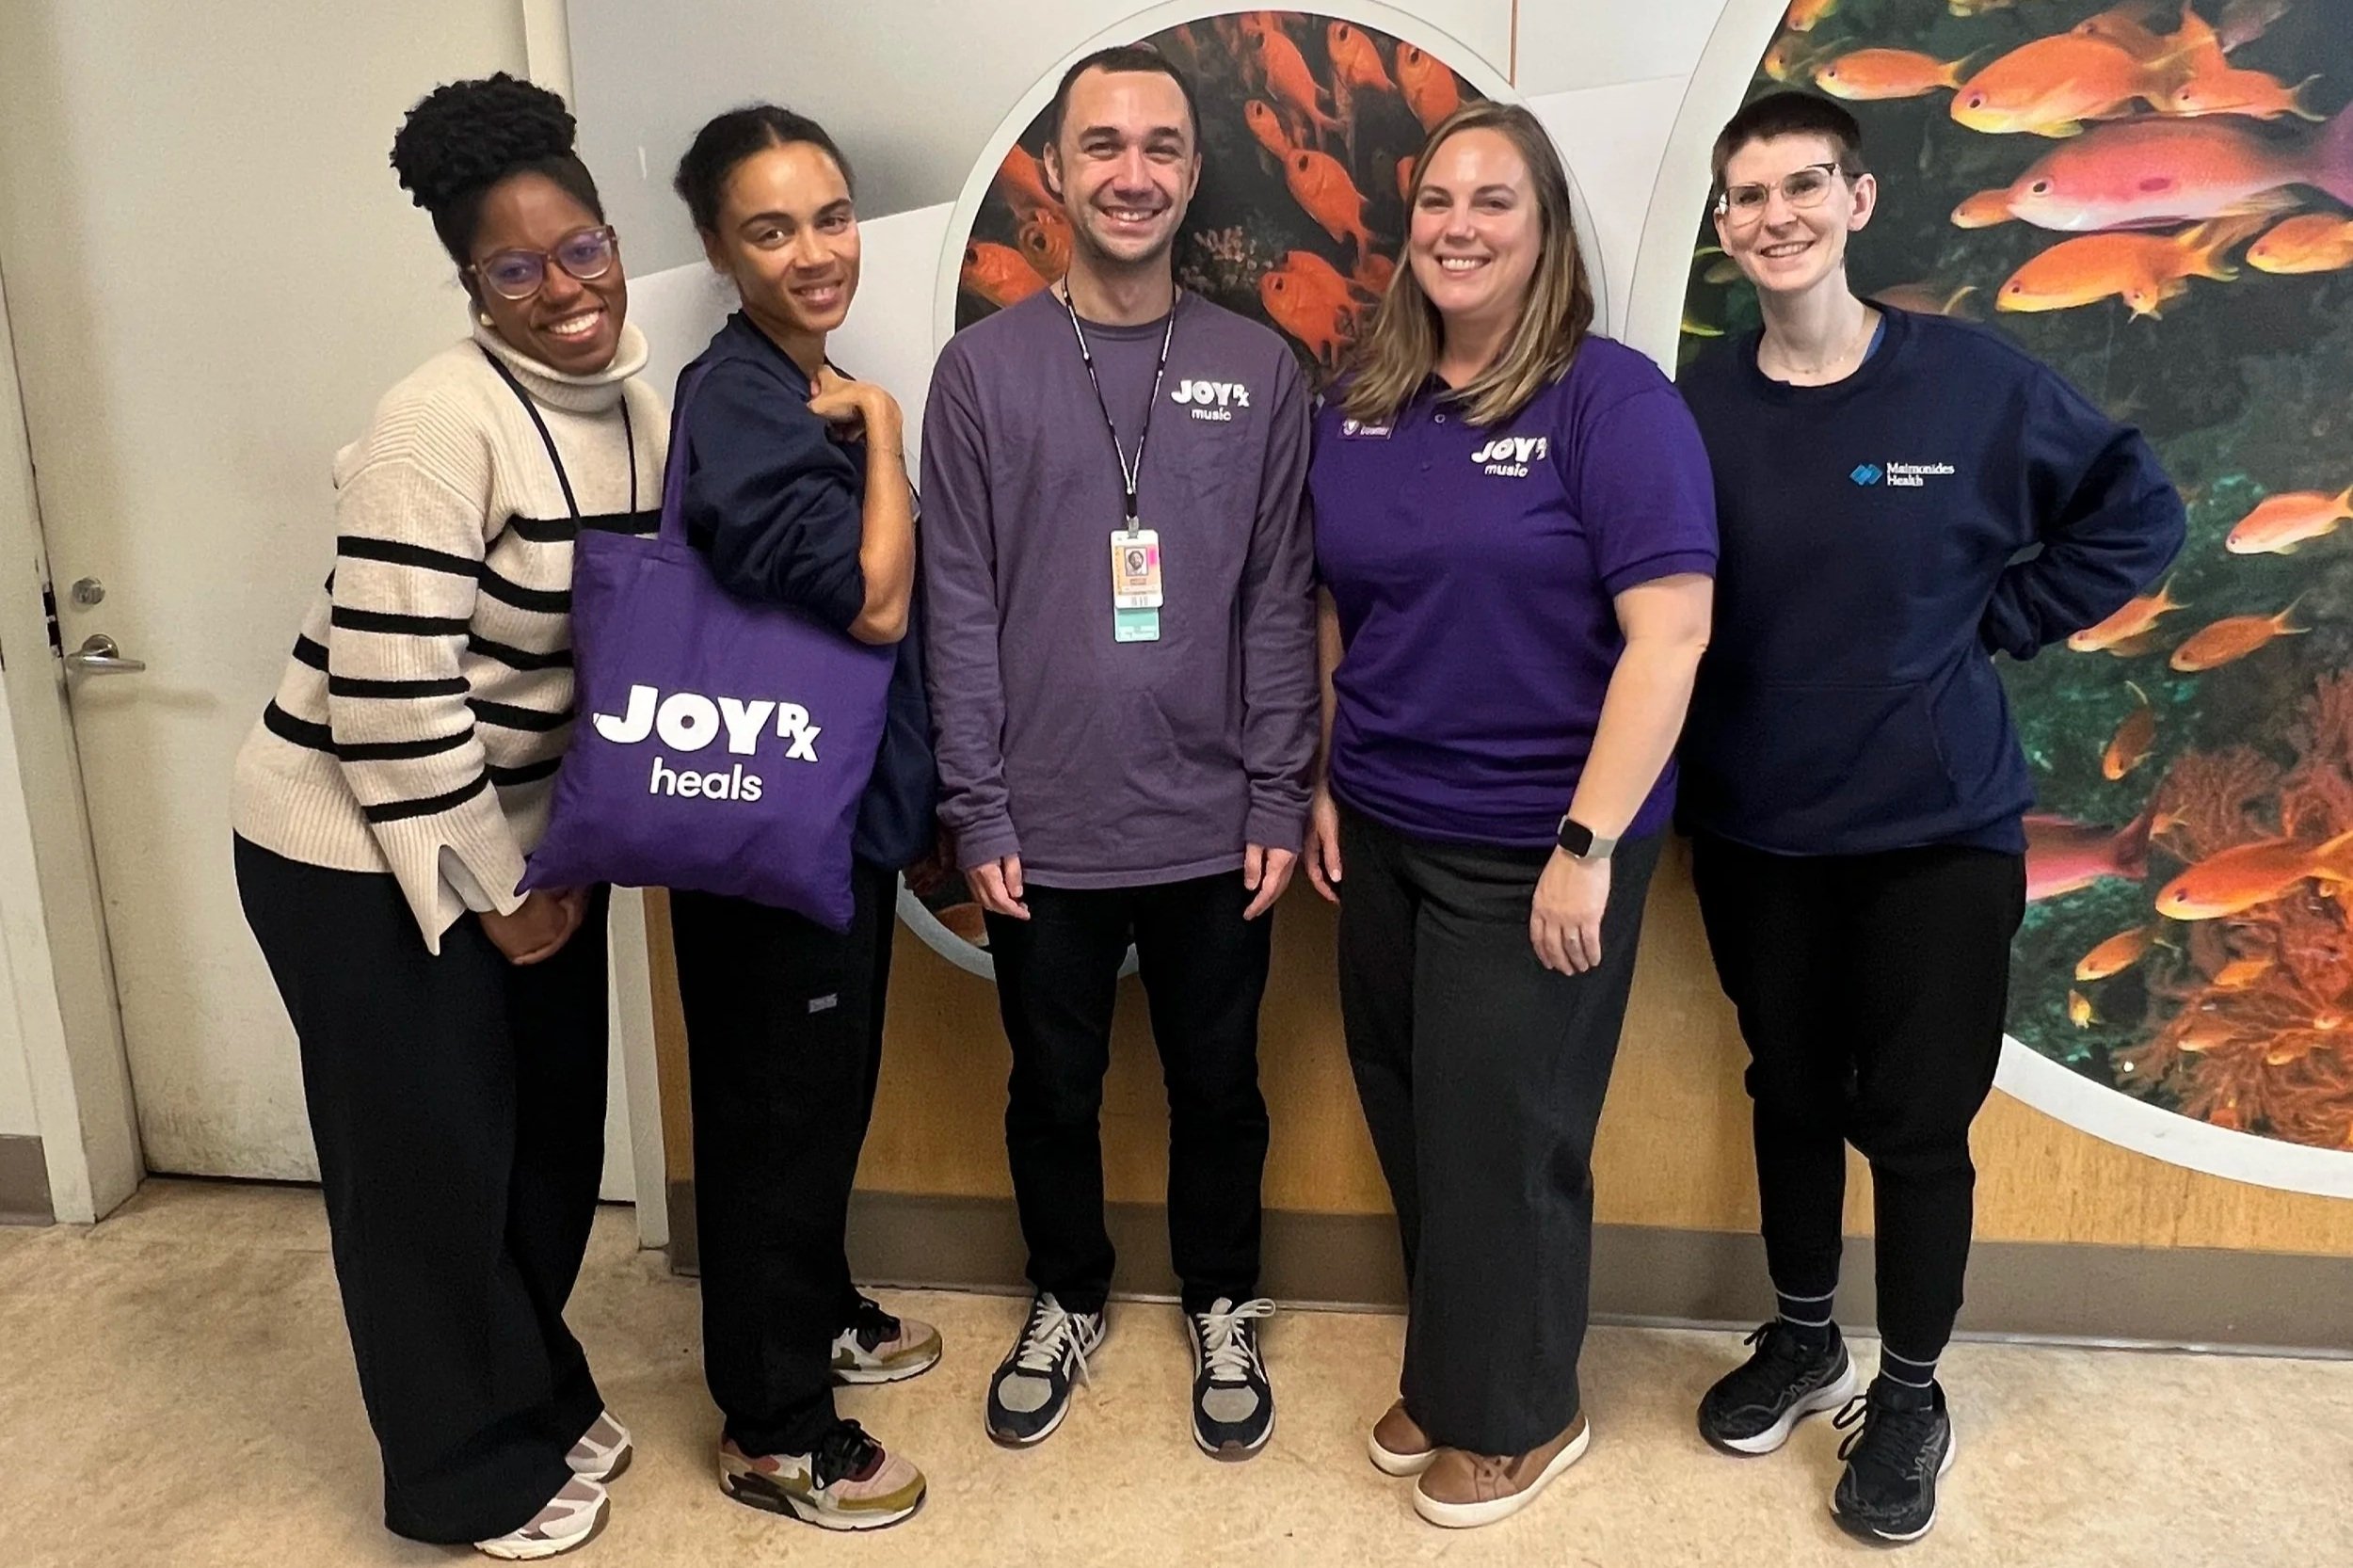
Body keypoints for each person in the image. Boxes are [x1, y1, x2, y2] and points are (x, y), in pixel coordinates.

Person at [1674, 91, 2185, 1545]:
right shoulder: (1697, 402)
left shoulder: (1969, 382)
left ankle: (1908, 1386)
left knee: (1914, 1120)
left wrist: (2004, 616)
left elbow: (2138, 509)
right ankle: (1799, 1331)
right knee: (1788, 1088)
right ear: (1723, 227)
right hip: (1761, 827)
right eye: (1744, 196)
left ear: (1858, 200)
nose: (1771, 216)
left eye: (1798, 187)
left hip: (1936, 833)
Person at [230, 73, 661, 1560]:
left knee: (542, 1139)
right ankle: (460, 1469)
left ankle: (533, 1384)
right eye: (517, 268)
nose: (565, 291)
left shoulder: (634, 405)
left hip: (526, 835)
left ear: (615, 239)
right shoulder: (435, 426)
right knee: (431, 1163)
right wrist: (491, 886)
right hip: (355, 844)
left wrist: (580, 850)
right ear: (470, 282)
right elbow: (390, 699)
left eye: (583, 249)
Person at [1303, 102, 1717, 1528]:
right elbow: (1339, 604)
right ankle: (1457, 1360)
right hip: (1386, 820)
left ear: (1544, 234)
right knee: (1419, 1116)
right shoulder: (1368, 398)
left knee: (1509, 1133)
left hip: (1540, 837)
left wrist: (1587, 846)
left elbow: (1669, 638)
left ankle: (1524, 1410)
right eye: (1437, 201)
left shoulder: (1611, 403)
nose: (1459, 226)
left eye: (1495, 202)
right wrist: (1323, 773)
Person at [921, 45, 1317, 1459]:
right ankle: (1068, 1291)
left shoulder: (1259, 366)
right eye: (1102, 146)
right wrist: (977, 804)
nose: (1132, 173)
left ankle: (1221, 1296)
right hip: (1044, 816)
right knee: (1052, 1084)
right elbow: (957, 603)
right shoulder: (981, 373)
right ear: (1058, 173)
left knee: (1221, 1085)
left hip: (1218, 817)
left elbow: (1280, 594)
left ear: (1193, 173)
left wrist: (1280, 784)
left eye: (1159, 147)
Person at [664, 105, 936, 1530]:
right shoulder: (747, 401)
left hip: (830, 822)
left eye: (830, 216)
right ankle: (773, 1424)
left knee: (818, 1097)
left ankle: (815, 1303)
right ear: (718, 246)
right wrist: (887, 428)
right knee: (776, 1113)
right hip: (770, 838)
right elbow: (872, 597)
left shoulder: (795, 375)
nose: (815, 250)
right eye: (772, 228)